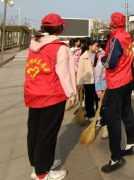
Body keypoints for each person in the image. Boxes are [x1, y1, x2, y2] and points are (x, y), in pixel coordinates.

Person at [25, 14, 76, 180]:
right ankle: (42, 173)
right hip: (52, 95)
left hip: (33, 93)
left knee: (34, 131)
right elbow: (64, 75)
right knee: (47, 134)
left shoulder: (34, 44)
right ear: (60, 29)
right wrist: (71, 94)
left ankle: (37, 164)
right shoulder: (60, 48)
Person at [100, 12, 134, 173]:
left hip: (116, 82)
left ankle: (115, 158)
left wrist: (102, 59)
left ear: (112, 23)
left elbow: (111, 62)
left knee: (113, 118)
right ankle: (130, 145)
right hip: (127, 79)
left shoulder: (115, 38)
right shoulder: (126, 35)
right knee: (127, 113)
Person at [77, 39, 99, 121]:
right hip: (88, 81)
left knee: (97, 98)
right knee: (89, 98)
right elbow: (80, 70)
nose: (97, 47)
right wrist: (80, 83)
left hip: (96, 79)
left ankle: (97, 113)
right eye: (95, 45)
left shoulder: (97, 55)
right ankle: (90, 114)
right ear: (90, 46)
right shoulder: (83, 56)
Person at [94, 41, 108, 140]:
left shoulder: (115, 58)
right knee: (104, 108)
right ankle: (104, 126)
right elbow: (97, 76)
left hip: (113, 87)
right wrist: (98, 90)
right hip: (103, 88)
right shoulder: (101, 59)